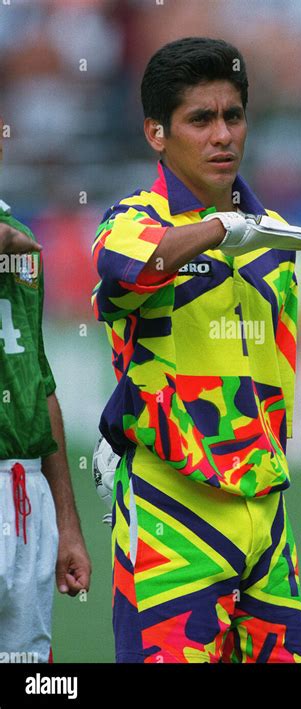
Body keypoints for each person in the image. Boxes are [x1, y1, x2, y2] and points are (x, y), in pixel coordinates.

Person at [92, 37, 301, 663]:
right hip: (175, 513)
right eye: (200, 119)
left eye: (234, 116)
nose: (223, 135)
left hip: (267, 517)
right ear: (156, 133)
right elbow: (120, 273)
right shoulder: (132, 220)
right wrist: (219, 229)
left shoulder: (278, 238)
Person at [0, 120, 91, 664]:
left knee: (32, 668)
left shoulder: (22, 239)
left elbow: (40, 382)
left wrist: (68, 525)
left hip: (26, 492)